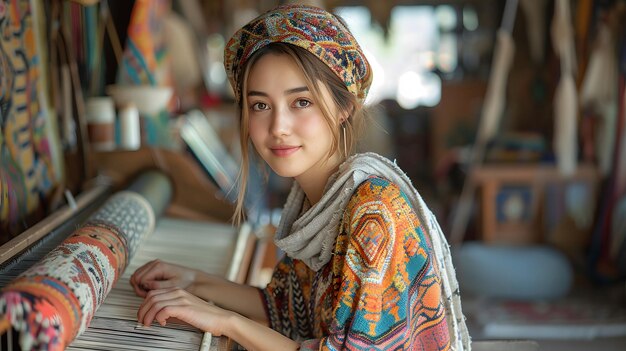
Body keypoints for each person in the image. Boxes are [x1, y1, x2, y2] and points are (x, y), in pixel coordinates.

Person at [130, 4, 471, 350]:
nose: (278, 127)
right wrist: (195, 281)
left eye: (301, 102)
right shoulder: (319, 202)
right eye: (260, 105)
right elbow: (284, 306)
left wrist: (224, 320)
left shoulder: (374, 212)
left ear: (344, 107)